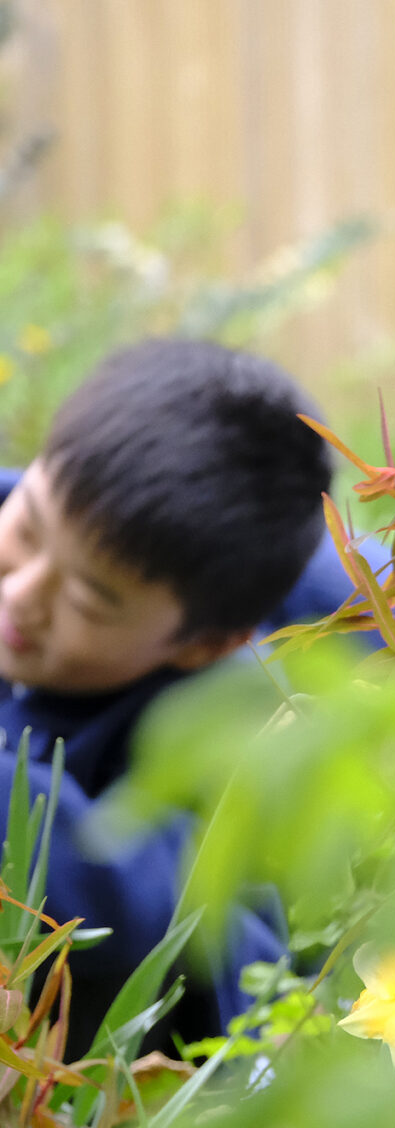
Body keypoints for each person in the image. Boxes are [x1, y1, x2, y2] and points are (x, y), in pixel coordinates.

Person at [0, 339, 327, 1054]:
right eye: (25, 528)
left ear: (204, 643)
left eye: (87, 600)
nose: (21, 596)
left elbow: (138, 903)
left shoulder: (231, 735)